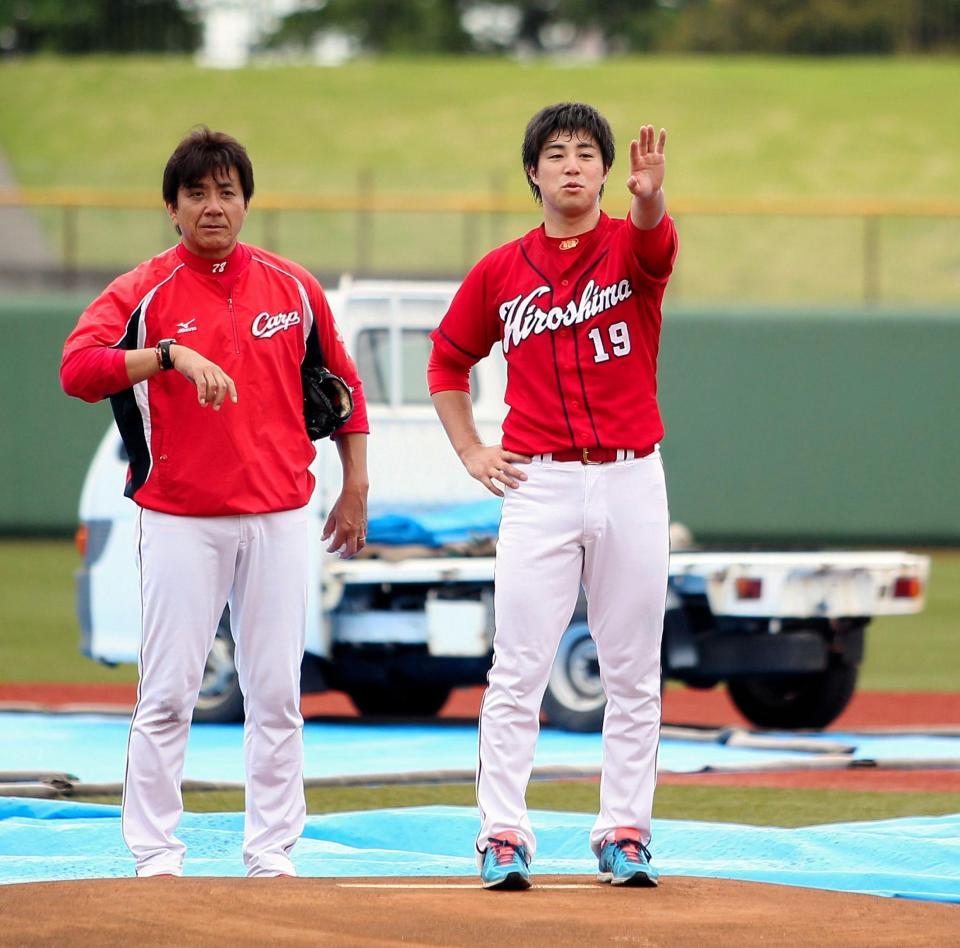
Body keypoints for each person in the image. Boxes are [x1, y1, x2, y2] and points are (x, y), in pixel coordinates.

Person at [60, 127, 369, 878]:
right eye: (196, 192)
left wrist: (355, 484)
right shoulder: (144, 290)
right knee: (167, 693)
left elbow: (346, 390)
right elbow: (78, 368)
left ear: (246, 202)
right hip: (179, 519)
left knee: (276, 694)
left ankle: (270, 854)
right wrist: (166, 354)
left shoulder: (293, 286)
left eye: (226, 191)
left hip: (278, 517)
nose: (212, 205)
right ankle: (157, 855)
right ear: (171, 207)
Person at [428, 103, 677, 890]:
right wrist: (470, 448)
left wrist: (647, 199)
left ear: (606, 171)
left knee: (633, 669)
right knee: (518, 666)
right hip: (539, 480)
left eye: (586, 154)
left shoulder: (629, 249)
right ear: (533, 172)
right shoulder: (502, 270)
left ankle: (625, 832)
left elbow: (655, 242)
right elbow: (446, 360)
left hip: (632, 474)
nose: (572, 165)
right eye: (556, 153)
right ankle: (502, 833)